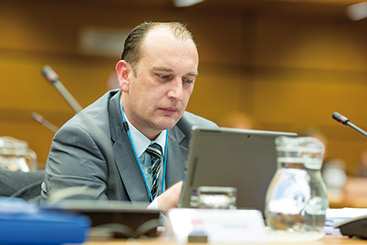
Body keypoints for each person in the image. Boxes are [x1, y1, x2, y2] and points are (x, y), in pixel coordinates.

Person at [40, 22, 217, 213]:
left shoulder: (205, 137)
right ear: (125, 76)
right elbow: (88, 233)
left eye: (187, 81)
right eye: (164, 77)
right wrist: (160, 209)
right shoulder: (80, 138)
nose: (178, 94)